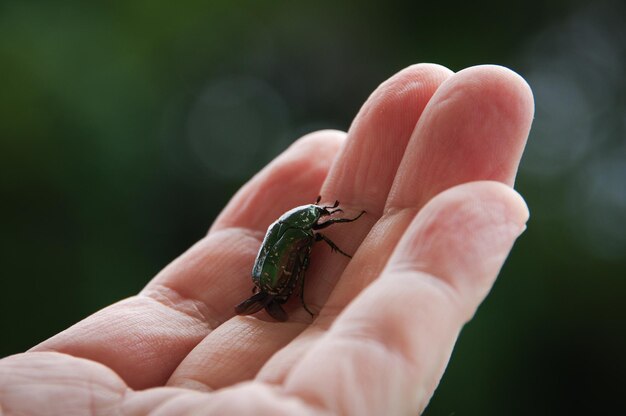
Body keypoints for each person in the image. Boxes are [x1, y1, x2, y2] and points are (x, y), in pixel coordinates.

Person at [0, 63, 534, 415]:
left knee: (304, 257)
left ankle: (282, 295)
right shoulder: (302, 228)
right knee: (302, 266)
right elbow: (313, 237)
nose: (326, 219)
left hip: (268, 277)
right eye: (322, 216)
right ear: (313, 218)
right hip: (271, 283)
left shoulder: (304, 224)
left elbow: (314, 231)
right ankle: (283, 298)